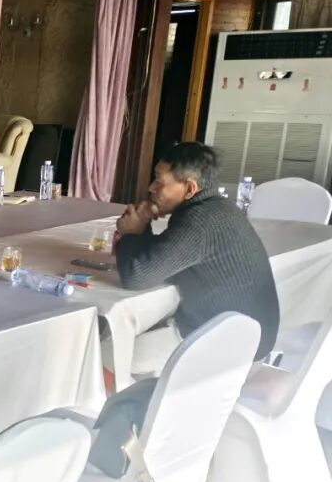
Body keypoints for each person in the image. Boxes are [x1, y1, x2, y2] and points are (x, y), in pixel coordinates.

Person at [115, 141, 280, 374]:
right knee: (132, 336)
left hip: (227, 353)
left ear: (190, 188)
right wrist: (142, 228)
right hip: (246, 341)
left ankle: (133, 397)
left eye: (159, 182)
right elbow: (166, 257)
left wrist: (131, 235)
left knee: (107, 356)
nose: (151, 188)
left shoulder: (200, 221)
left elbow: (136, 276)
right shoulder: (217, 208)